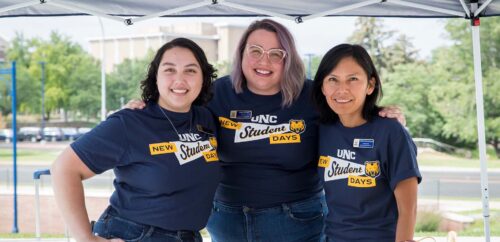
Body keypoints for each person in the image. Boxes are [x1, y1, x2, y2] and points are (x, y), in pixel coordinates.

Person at [126, 19, 405, 242]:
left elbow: (352, 114)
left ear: (288, 59)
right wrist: (146, 108)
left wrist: (381, 116)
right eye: (256, 51)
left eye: (276, 54)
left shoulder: (312, 97)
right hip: (227, 220)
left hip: (297, 221)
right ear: (241, 54)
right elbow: (175, 110)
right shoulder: (215, 93)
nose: (264, 61)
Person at [51, 38, 220, 242]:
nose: (180, 79)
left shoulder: (205, 119)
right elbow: (63, 168)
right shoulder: (130, 122)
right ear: (155, 77)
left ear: (203, 78)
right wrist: (86, 238)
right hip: (135, 234)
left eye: (190, 70)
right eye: (169, 70)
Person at [312, 44, 421, 242]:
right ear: (322, 86)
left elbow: (409, 209)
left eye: (353, 79)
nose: (342, 90)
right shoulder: (321, 130)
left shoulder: (391, 132)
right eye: (333, 80)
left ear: (370, 85)